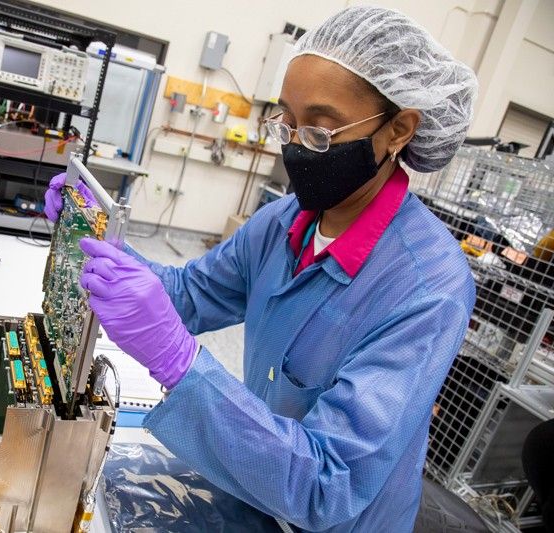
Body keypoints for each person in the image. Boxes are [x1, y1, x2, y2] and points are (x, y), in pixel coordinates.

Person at [46, 6, 478, 531]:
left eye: (319, 131)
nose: (295, 147)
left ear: (398, 131)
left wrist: (182, 364)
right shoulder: (283, 222)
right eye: (287, 123)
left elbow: (330, 485)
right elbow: (188, 294)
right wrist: (98, 242)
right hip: (256, 481)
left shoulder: (429, 287)